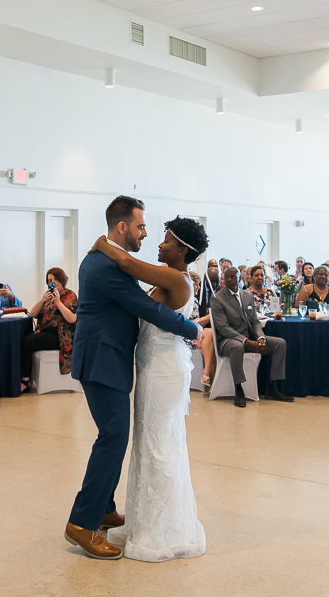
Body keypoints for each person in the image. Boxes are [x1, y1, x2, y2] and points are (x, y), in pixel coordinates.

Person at [66, 197, 202, 562]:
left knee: (117, 436)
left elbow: (145, 296)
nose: (148, 234)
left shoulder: (107, 259)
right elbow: (147, 308)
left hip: (114, 359)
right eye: (142, 227)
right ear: (122, 227)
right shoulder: (107, 266)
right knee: (113, 437)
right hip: (103, 360)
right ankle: (82, 523)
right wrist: (191, 327)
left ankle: (105, 508)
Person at [212, 267, 292, 407]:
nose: (230, 279)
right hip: (228, 341)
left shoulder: (247, 296)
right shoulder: (217, 298)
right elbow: (223, 327)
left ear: (240, 277)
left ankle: (272, 387)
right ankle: (239, 390)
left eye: (233, 276)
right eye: (227, 277)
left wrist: (260, 337)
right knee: (237, 347)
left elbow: (255, 322)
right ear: (223, 279)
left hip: (249, 337)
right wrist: (245, 341)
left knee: (280, 343)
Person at [21, 268, 78, 392]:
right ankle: (25, 376)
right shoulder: (49, 298)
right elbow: (33, 314)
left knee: (26, 342)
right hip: (46, 332)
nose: (53, 282)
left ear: (62, 280)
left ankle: (25, 380)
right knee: (24, 338)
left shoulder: (70, 295)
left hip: (62, 335)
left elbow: (72, 318)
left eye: (55, 279)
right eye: (50, 280)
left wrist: (58, 302)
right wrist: (43, 300)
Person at [187, 271, 217, 387]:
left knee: (212, 341)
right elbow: (192, 322)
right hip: (183, 335)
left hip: (193, 332)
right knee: (211, 340)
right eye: (196, 284)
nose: (199, 287)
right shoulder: (187, 300)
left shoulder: (193, 300)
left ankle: (208, 375)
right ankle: (209, 375)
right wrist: (210, 316)